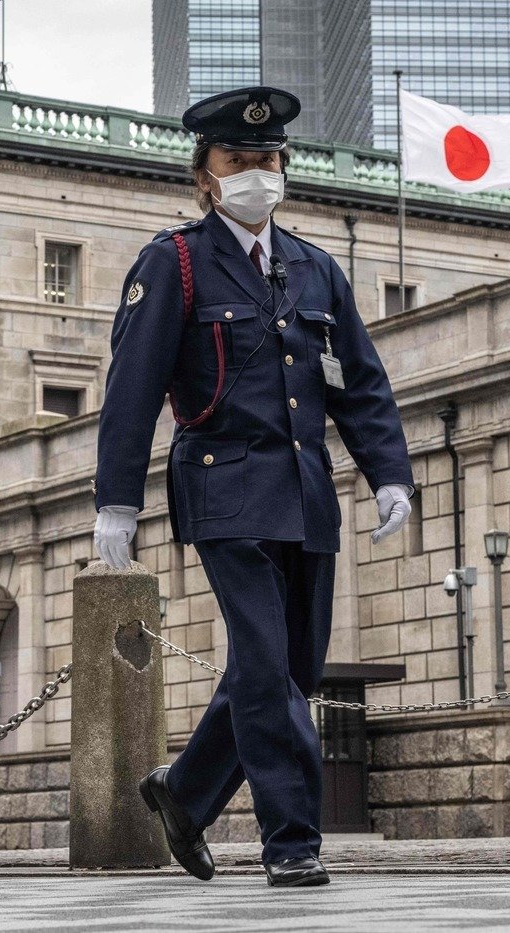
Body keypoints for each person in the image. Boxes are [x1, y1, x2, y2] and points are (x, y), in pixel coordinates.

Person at [91, 85, 414, 888]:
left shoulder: (316, 268)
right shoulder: (174, 263)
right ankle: (292, 840)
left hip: (307, 495)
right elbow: (131, 389)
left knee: (292, 667)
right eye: (239, 160)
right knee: (267, 666)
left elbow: (361, 385)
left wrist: (390, 475)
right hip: (225, 491)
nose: (257, 174)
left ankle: (184, 790)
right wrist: (115, 506)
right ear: (205, 175)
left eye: (269, 160)